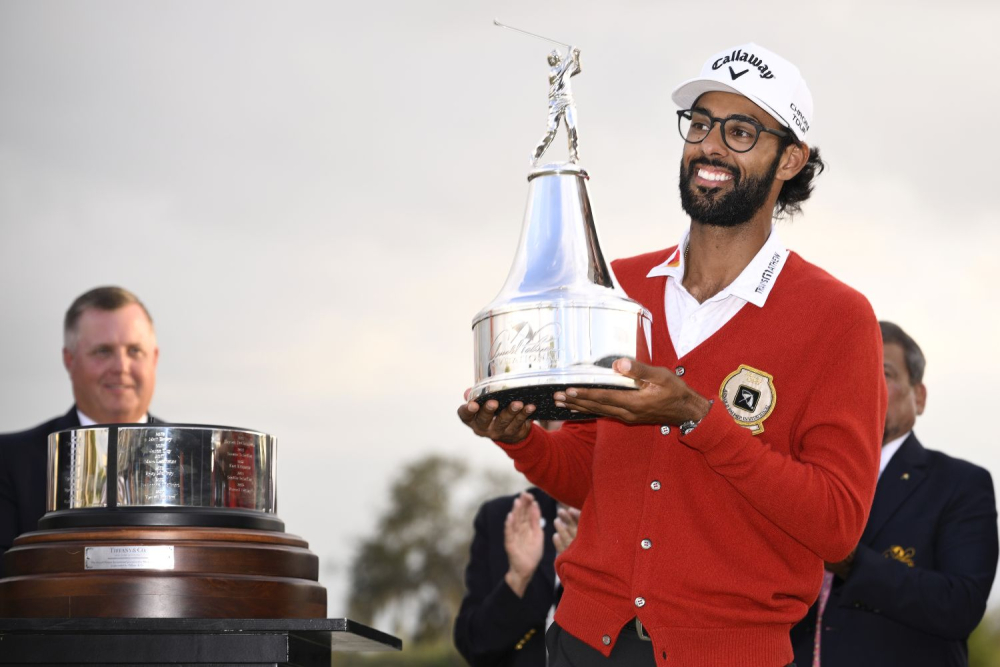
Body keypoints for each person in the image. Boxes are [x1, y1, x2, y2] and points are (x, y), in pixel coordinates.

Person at [458, 42, 886, 667]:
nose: (710, 147)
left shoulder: (838, 318)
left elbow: (837, 525)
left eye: (741, 132)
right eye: (700, 124)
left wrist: (697, 417)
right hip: (583, 641)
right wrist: (520, 439)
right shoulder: (616, 288)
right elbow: (587, 475)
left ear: (791, 159)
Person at [790, 322, 998, 666]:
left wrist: (852, 562)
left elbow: (961, 606)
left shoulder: (960, 484)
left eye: (884, 373)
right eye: (854, 373)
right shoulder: (803, 474)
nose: (865, 384)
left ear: (919, 397)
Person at [0, 286, 160, 572]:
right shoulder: (9, 462)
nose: (121, 367)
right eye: (103, 351)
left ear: (154, 358)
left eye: (135, 351)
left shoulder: (198, 462)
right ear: (69, 360)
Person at [455, 486, 581, 667]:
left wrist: (588, 574)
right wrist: (517, 579)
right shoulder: (505, 516)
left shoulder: (624, 523)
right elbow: (473, 645)